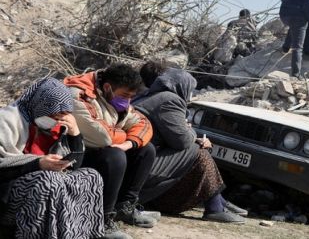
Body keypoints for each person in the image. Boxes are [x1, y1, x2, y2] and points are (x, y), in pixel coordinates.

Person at [133, 62, 246, 223]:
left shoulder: (148, 96)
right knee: (198, 150)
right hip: (140, 167)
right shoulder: (169, 100)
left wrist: (187, 131)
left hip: (137, 161)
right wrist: (192, 133)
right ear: (182, 86)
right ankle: (215, 206)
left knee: (195, 149)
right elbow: (183, 141)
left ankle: (218, 201)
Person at [0, 78, 104, 239]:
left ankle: (79, 234)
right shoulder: (7, 120)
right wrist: (37, 164)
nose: (56, 120)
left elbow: (74, 167)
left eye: (61, 115)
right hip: (9, 190)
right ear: (40, 106)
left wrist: (75, 134)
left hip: (47, 182)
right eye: (53, 115)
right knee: (48, 179)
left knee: (90, 176)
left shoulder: (59, 126)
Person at [64, 63, 158, 239]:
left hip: (99, 147)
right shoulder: (79, 95)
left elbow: (143, 124)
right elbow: (102, 137)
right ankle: (101, 221)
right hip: (72, 154)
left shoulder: (116, 96)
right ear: (107, 87)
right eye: (124, 96)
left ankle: (124, 207)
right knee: (115, 156)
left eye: (132, 97)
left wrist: (128, 143)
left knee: (145, 149)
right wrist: (122, 135)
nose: (128, 101)